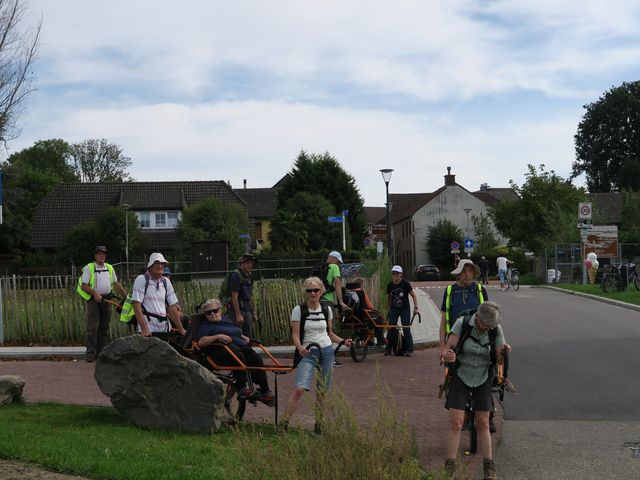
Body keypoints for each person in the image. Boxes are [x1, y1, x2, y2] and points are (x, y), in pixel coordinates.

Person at [440, 302, 511, 480]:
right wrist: (448, 355)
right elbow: (447, 350)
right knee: (456, 422)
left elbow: (499, 361)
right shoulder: (462, 323)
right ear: (478, 317)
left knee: (483, 422)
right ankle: (450, 467)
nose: (488, 327)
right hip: (462, 374)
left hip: (483, 376)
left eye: (491, 325)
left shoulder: (495, 329)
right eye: (485, 324)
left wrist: (503, 352)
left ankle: (489, 467)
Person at [281, 276, 352, 432]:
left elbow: (330, 333)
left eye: (316, 290)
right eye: (309, 290)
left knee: (322, 391)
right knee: (300, 388)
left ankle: (318, 425)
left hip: (326, 351)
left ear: (321, 291)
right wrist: (300, 348)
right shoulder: (299, 310)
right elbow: (295, 335)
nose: (313, 293)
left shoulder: (326, 309)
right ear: (305, 292)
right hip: (308, 352)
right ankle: (283, 424)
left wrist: (343, 341)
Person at [195, 298, 273, 405]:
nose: (213, 314)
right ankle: (242, 388)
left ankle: (265, 392)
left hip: (239, 345)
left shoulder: (225, 320)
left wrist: (242, 336)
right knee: (238, 354)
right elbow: (201, 342)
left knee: (256, 358)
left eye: (215, 310)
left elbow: (233, 331)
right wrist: (218, 336)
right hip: (221, 350)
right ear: (205, 315)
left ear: (220, 310)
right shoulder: (206, 326)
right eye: (209, 312)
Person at [76, 245, 127, 362]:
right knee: (92, 327)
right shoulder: (89, 268)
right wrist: (95, 293)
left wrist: (127, 297)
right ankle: (90, 354)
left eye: (103, 254)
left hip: (107, 300)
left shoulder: (109, 268)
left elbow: (116, 284)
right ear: (95, 256)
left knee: (104, 327)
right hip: (93, 300)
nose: (101, 256)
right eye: (99, 254)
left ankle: (101, 353)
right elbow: (84, 285)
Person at [132, 253, 186, 337]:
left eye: (162, 264)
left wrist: (181, 329)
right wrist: (144, 328)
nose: (160, 266)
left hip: (164, 329)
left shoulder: (166, 282)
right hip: (149, 330)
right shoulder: (141, 280)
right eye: (157, 263)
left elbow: (172, 307)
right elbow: (136, 305)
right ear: (150, 265)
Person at [440, 259, 489, 350]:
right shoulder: (450, 291)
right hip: (455, 339)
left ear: (473, 273)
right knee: (452, 363)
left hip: (477, 340)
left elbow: (489, 317)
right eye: (463, 271)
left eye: (470, 271)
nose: (467, 274)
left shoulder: (480, 290)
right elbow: (443, 320)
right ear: (458, 274)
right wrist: (442, 345)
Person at [385, 265, 419, 357]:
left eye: (397, 273)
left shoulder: (405, 284)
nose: (395, 275)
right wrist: (389, 307)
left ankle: (409, 349)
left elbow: (414, 296)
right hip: (394, 309)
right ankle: (388, 349)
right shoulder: (390, 285)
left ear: (401, 274)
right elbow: (388, 297)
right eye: (393, 273)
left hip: (404, 309)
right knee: (391, 328)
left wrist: (416, 308)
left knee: (406, 328)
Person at [225, 254, 259, 338]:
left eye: (251, 263)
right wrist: (238, 314)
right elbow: (234, 297)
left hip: (247, 309)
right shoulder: (236, 276)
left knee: (248, 335)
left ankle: (247, 350)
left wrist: (254, 313)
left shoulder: (250, 276)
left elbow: (251, 296)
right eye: (248, 263)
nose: (250, 265)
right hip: (236, 309)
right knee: (237, 334)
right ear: (241, 263)